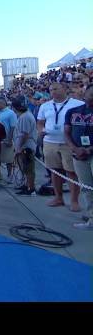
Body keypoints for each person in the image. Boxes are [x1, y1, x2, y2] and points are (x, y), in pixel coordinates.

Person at [37, 82, 84, 210]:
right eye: (51, 89)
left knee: (71, 172)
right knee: (55, 170)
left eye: (56, 89)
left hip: (69, 143)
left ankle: (74, 201)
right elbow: (40, 122)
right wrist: (41, 131)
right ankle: (59, 198)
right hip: (50, 142)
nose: (53, 91)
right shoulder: (45, 106)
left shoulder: (77, 104)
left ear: (64, 89)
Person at [63, 83, 93, 228]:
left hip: (89, 153)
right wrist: (75, 148)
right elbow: (67, 132)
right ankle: (92, 218)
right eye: (91, 94)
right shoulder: (73, 111)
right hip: (78, 155)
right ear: (85, 93)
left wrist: (88, 150)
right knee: (86, 187)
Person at [11, 96, 38, 196]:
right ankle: (27, 185)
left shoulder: (24, 117)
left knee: (28, 169)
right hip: (25, 146)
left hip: (26, 147)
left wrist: (18, 148)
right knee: (25, 168)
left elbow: (24, 135)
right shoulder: (26, 115)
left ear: (14, 107)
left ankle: (30, 188)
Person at [0, 97, 17, 184]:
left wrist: (9, 139)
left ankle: (9, 175)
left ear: (3, 103)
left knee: (8, 159)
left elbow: (13, 127)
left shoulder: (10, 113)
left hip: (6, 139)